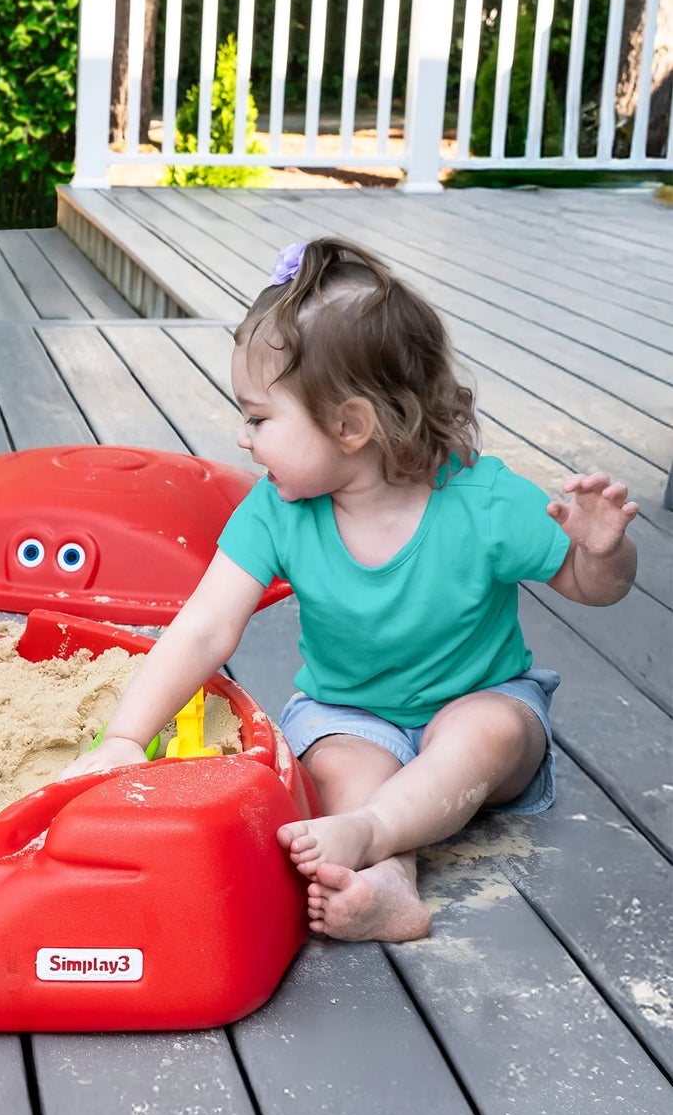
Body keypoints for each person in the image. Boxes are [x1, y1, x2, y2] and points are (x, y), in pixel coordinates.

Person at [60, 238, 638, 943]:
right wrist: (125, 735)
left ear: (350, 424)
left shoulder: (483, 499)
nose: (243, 439)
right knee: (333, 763)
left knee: (486, 730)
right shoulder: (276, 508)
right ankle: (387, 882)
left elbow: (588, 585)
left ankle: (371, 833)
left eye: (259, 418)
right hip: (350, 713)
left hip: (478, 704)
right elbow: (204, 627)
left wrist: (604, 550)